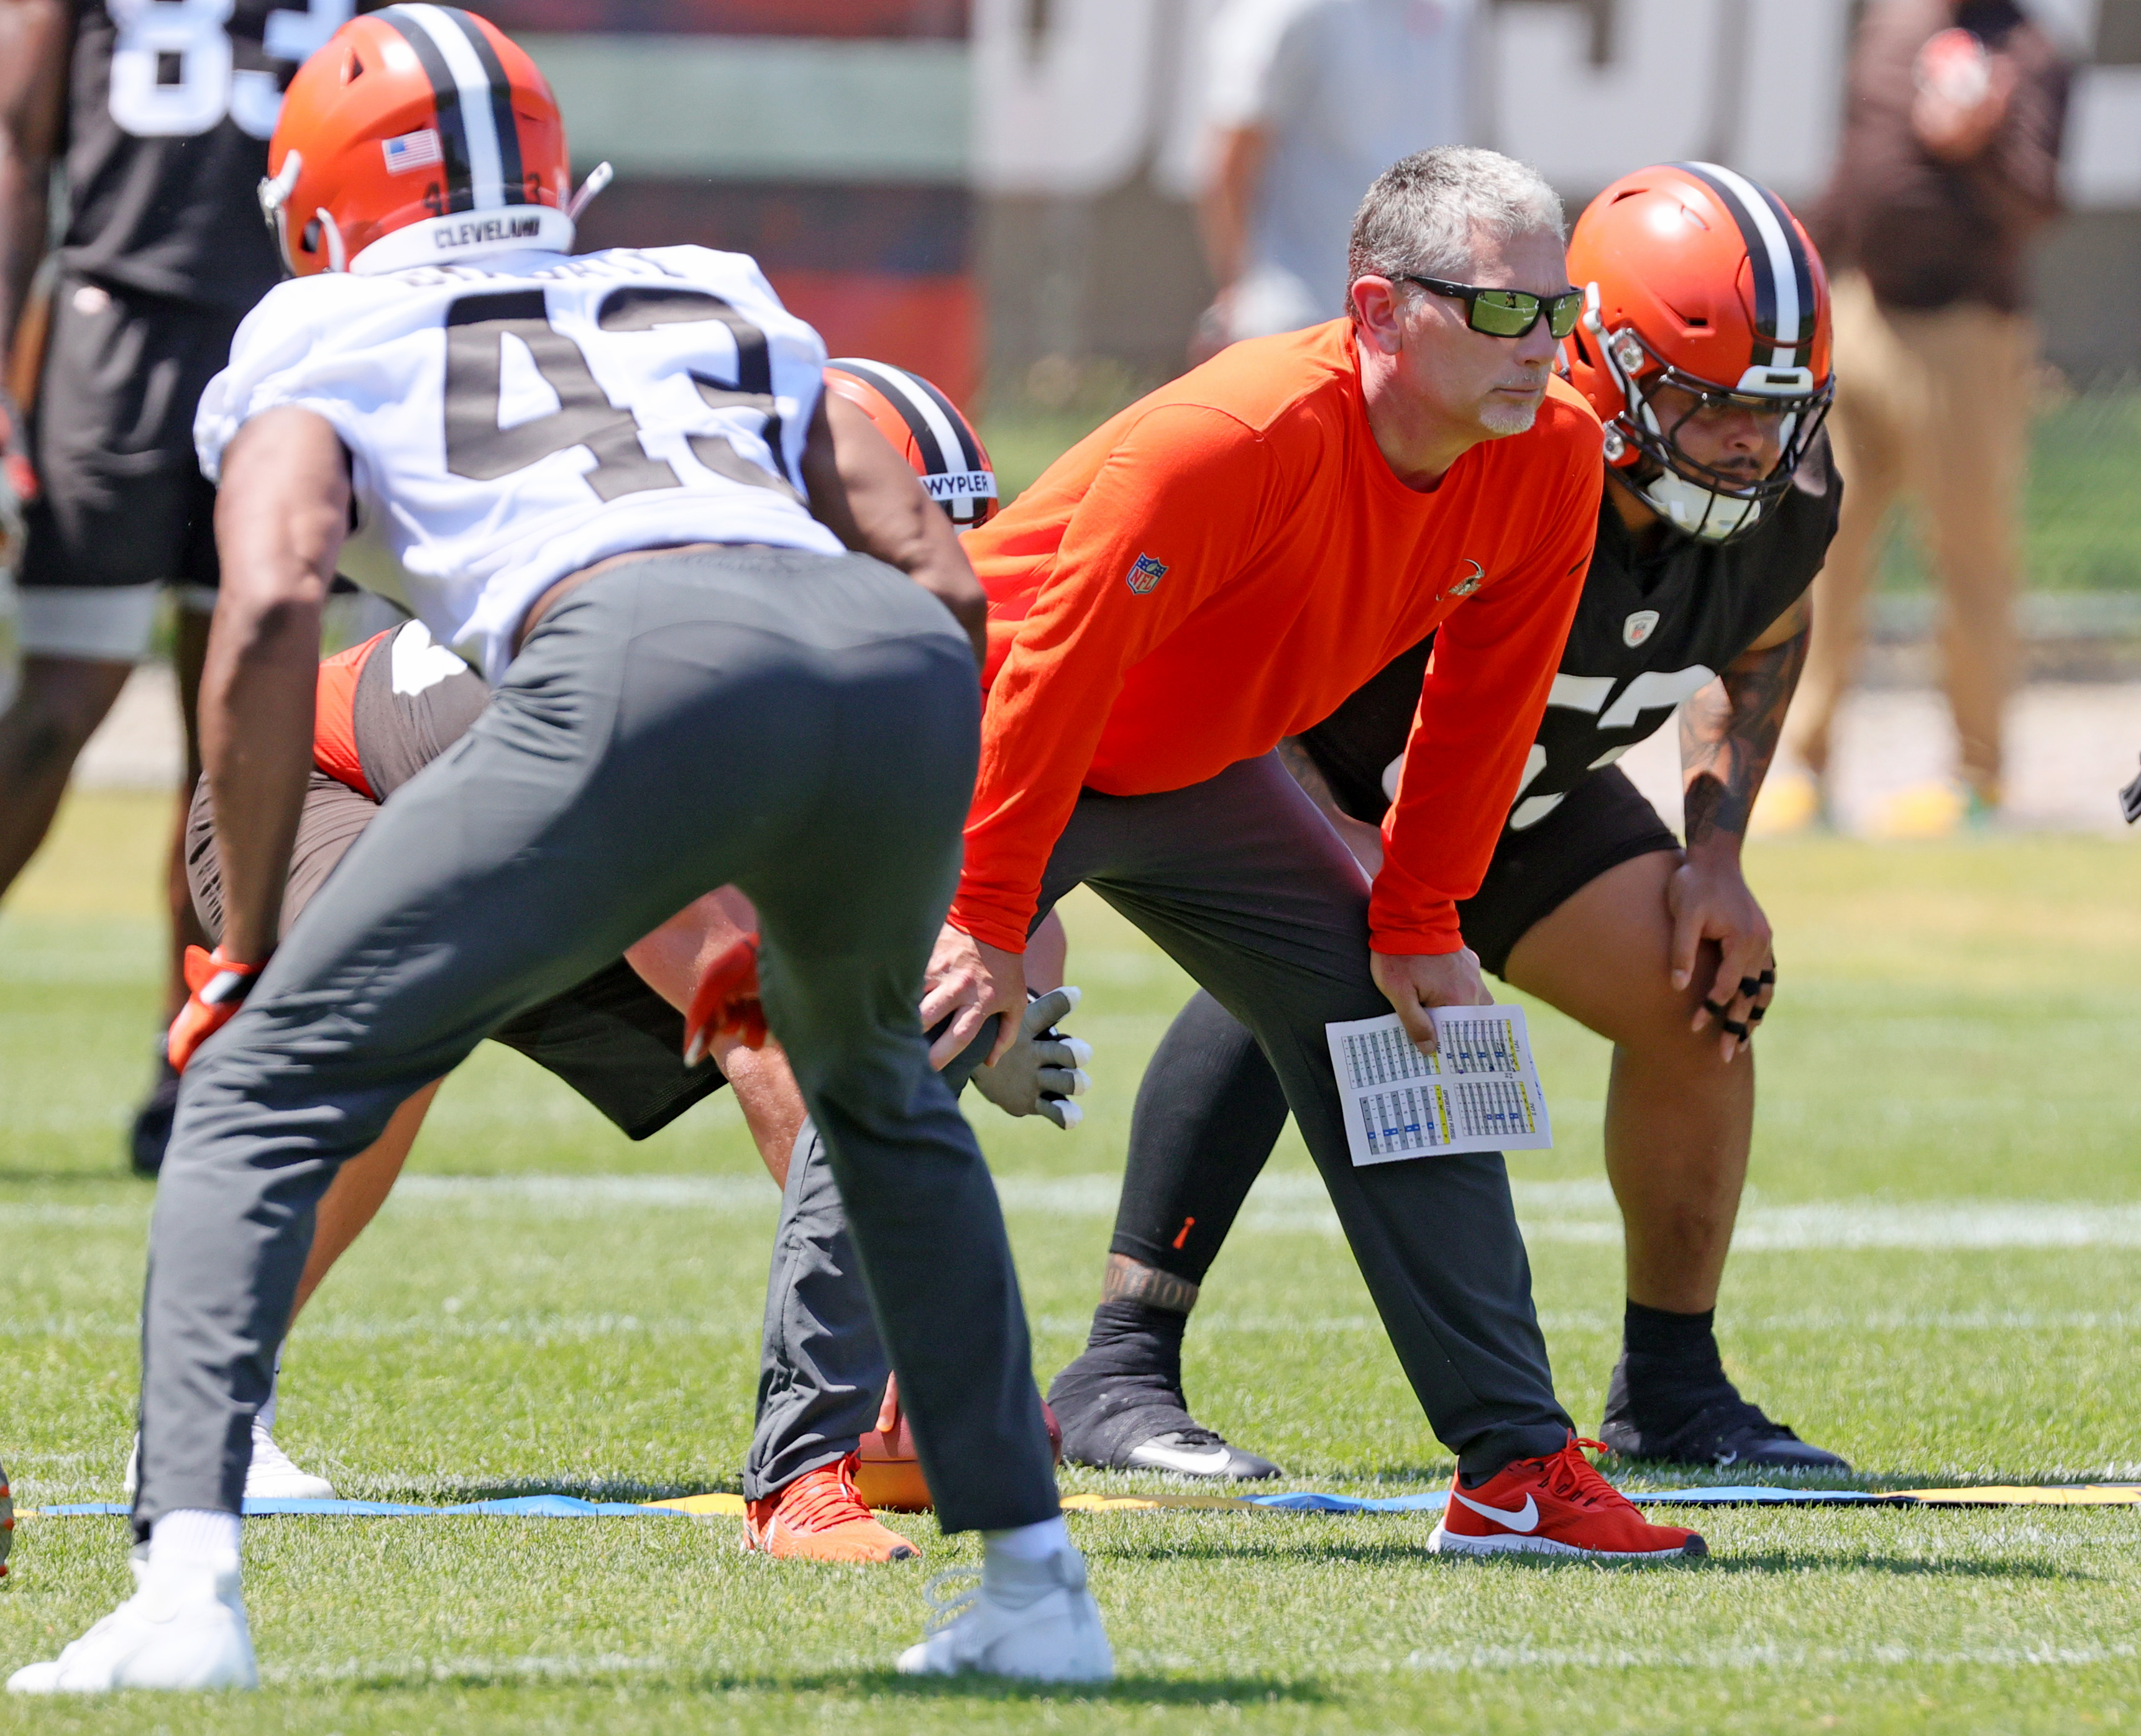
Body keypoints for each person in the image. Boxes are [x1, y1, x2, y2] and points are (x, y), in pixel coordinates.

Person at [9, 7, 1109, 1692]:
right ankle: (1037, 1597)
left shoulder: (316, 325)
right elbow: (933, 573)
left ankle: (184, 1598)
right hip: (884, 668)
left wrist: (238, 958)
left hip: (625, 656)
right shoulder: (707, 283)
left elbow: (275, 602)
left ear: (315, 201)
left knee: (256, 1075)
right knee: (880, 1096)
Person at [918, 143, 1706, 1565]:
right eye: (1505, 310)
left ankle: (1516, 1472)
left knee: (1405, 1031)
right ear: (1377, 310)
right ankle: (821, 1453)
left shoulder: (1555, 451)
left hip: (1197, 764)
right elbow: (1048, 674)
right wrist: (982, 913)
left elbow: (1485, 695)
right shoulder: (1229, 435)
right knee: (899, 1035)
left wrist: (1422, 913)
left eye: (1560, 308)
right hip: (983, 728)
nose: (1548, 347)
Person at [163, 364, 1088, 1568]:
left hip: (565, 850)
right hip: (343, 799)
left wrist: (998, 1004)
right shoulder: (674, 673)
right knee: (398, 1033)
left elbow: (1003, 902)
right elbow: (762, 1032)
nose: (940, 590)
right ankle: (215, 1413)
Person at [1047, 162, 1854, 1478]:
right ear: (1606, 359)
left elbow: (1766, 625)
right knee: (1312, 955)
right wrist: (1339, 836)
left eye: (1773, 410)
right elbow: (1247, 654)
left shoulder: (1784, 502)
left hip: (1511, 792)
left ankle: (1672, 1383)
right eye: (1709, 406)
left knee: (1704, 989)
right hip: (1316, 766)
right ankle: (1122, 1360)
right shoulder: (1508, 453)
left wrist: (1717, 852)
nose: (1748, 446)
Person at [0, 0, 357, 1175]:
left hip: (304, 339)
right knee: (56, 709)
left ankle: (196, 1059)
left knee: (249, 736)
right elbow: (15, 129)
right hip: (119, 325)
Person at [1772, 0, 2071, 835]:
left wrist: (1971, 149)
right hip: (1859, 307)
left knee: (1969, 558)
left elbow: (2040, 199)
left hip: (1965, 329)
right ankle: (1802, 763)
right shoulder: (1887, 27)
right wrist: (1804, 270)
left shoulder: (2031, 52)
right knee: (1814, 544)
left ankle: (1978, 778)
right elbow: (1855, 165)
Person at [1193, 0, 1474, 357]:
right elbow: (1233, 155)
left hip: (1413, 319)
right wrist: (1240, 290)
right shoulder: (1282, 12)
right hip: (1296, 316)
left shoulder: (1456, 12)